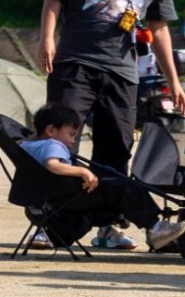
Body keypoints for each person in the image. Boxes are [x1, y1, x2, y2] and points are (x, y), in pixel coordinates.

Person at [34, 0, 179, 248]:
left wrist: (174, 81)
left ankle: (108, 227)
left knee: (115, 150)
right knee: (60, 143)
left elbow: (159, 28)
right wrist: (47, 39)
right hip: (76, 63)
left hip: (122, 72)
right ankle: (45, 222)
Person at [20, 102, 184, 250]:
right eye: (71, 134)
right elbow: (53, 165)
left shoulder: (28, 145)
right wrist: (83, 171)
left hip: (51, 201)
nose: (72, 140)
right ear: (50, 130)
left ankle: (48, 235)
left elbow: (30, 144)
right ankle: (155, 228)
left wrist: (36, 134)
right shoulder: (53, 145)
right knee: (127, 187)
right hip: (70, 196)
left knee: (94, 211)